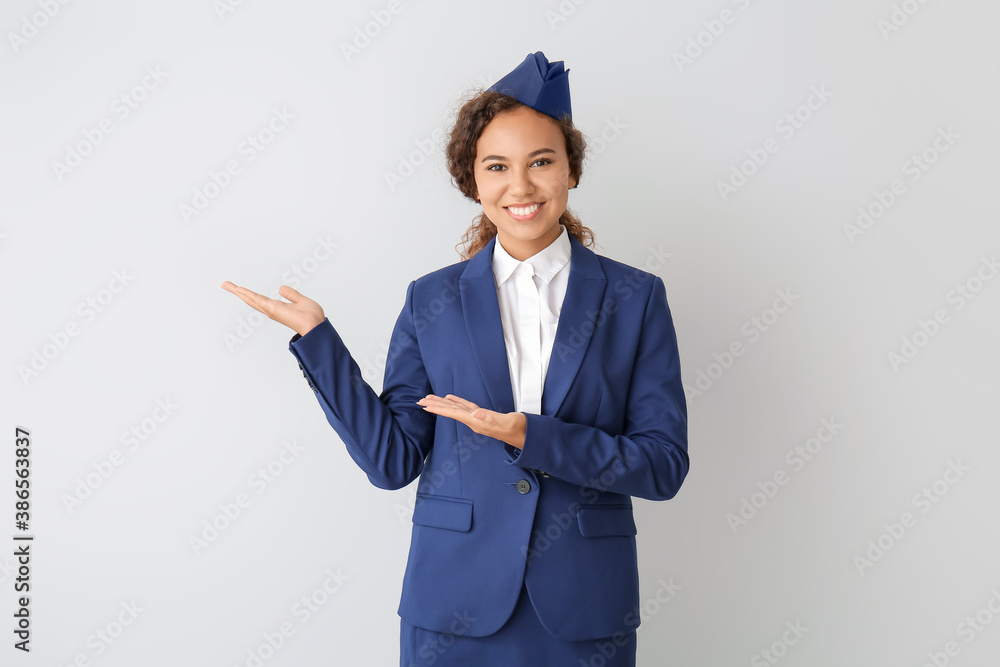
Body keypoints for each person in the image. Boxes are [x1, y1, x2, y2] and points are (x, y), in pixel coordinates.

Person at [221, 51, 689, 667]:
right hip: (452, 611)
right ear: (472, 182)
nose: (520, 187)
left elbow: (662, 466)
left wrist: (531, 436)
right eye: (497, 167)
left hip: (583, 613)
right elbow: (392, 462)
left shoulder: (635, 298)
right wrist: (318, 341)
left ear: (571, 170)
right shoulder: (431, 300)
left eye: (541, 162)